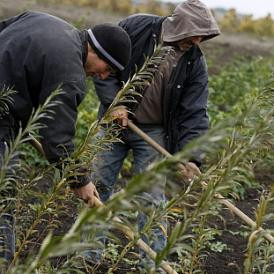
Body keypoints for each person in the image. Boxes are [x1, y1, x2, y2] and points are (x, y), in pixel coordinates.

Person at [90, 0, 221, 269]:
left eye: (203, 34)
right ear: (180, 25)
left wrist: (192, 157)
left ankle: (151, 264)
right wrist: (116, 102)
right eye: (195, 32)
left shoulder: (194, 61)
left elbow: (194, 112)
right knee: (97, 186)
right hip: (113, 122)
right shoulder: (137, 27)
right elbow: (102, 61)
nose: (198, 39)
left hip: (153, 132)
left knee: (150, 198)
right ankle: (88, 256)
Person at [0, 11, 131, 271]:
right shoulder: (69, 73)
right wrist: (79, 179)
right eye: (107, 69)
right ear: (97, 52)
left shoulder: (43, 20)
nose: (103, 77)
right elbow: (57, 137)